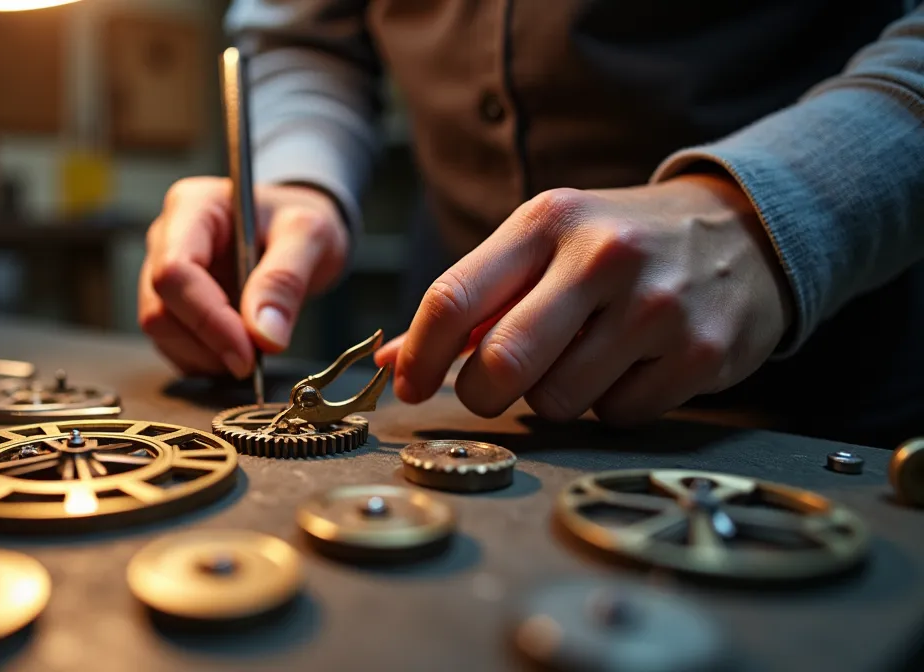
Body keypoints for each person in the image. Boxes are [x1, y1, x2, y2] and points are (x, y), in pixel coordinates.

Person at [137, 0, 924, 448]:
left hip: (828, 397)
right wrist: (299, 182)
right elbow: (309, 35)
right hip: (456, 398)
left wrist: (768, 213)